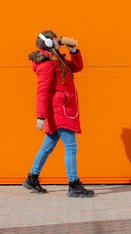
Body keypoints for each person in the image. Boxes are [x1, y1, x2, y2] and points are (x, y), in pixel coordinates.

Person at [22, 30, 94, 198]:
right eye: (55, 39)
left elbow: (77, 67)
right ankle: (74, 184)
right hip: (60, 108)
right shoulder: (46, 63)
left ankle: (32, 178)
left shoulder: (56, 59)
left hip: (62, 107)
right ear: (47, 42)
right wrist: (40, 115)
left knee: (48, 145)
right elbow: (42, 90)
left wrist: (73, 51)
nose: (58, 41)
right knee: (71, 146)